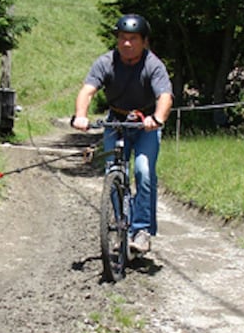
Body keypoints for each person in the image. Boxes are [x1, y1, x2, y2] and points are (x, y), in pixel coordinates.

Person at [72, 13, 174, 254]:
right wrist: (80, 115)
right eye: (122, 38)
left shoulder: (153, 65)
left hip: (145, 124)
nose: (127, 43)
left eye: (133, 38)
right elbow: (87, 91)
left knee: (143, 172)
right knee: (114, 172)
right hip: (116, 122)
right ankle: (121, 227)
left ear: (144, 41)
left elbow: (165, 96)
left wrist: (157, 118)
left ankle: (141, 230)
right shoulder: (106, 62)